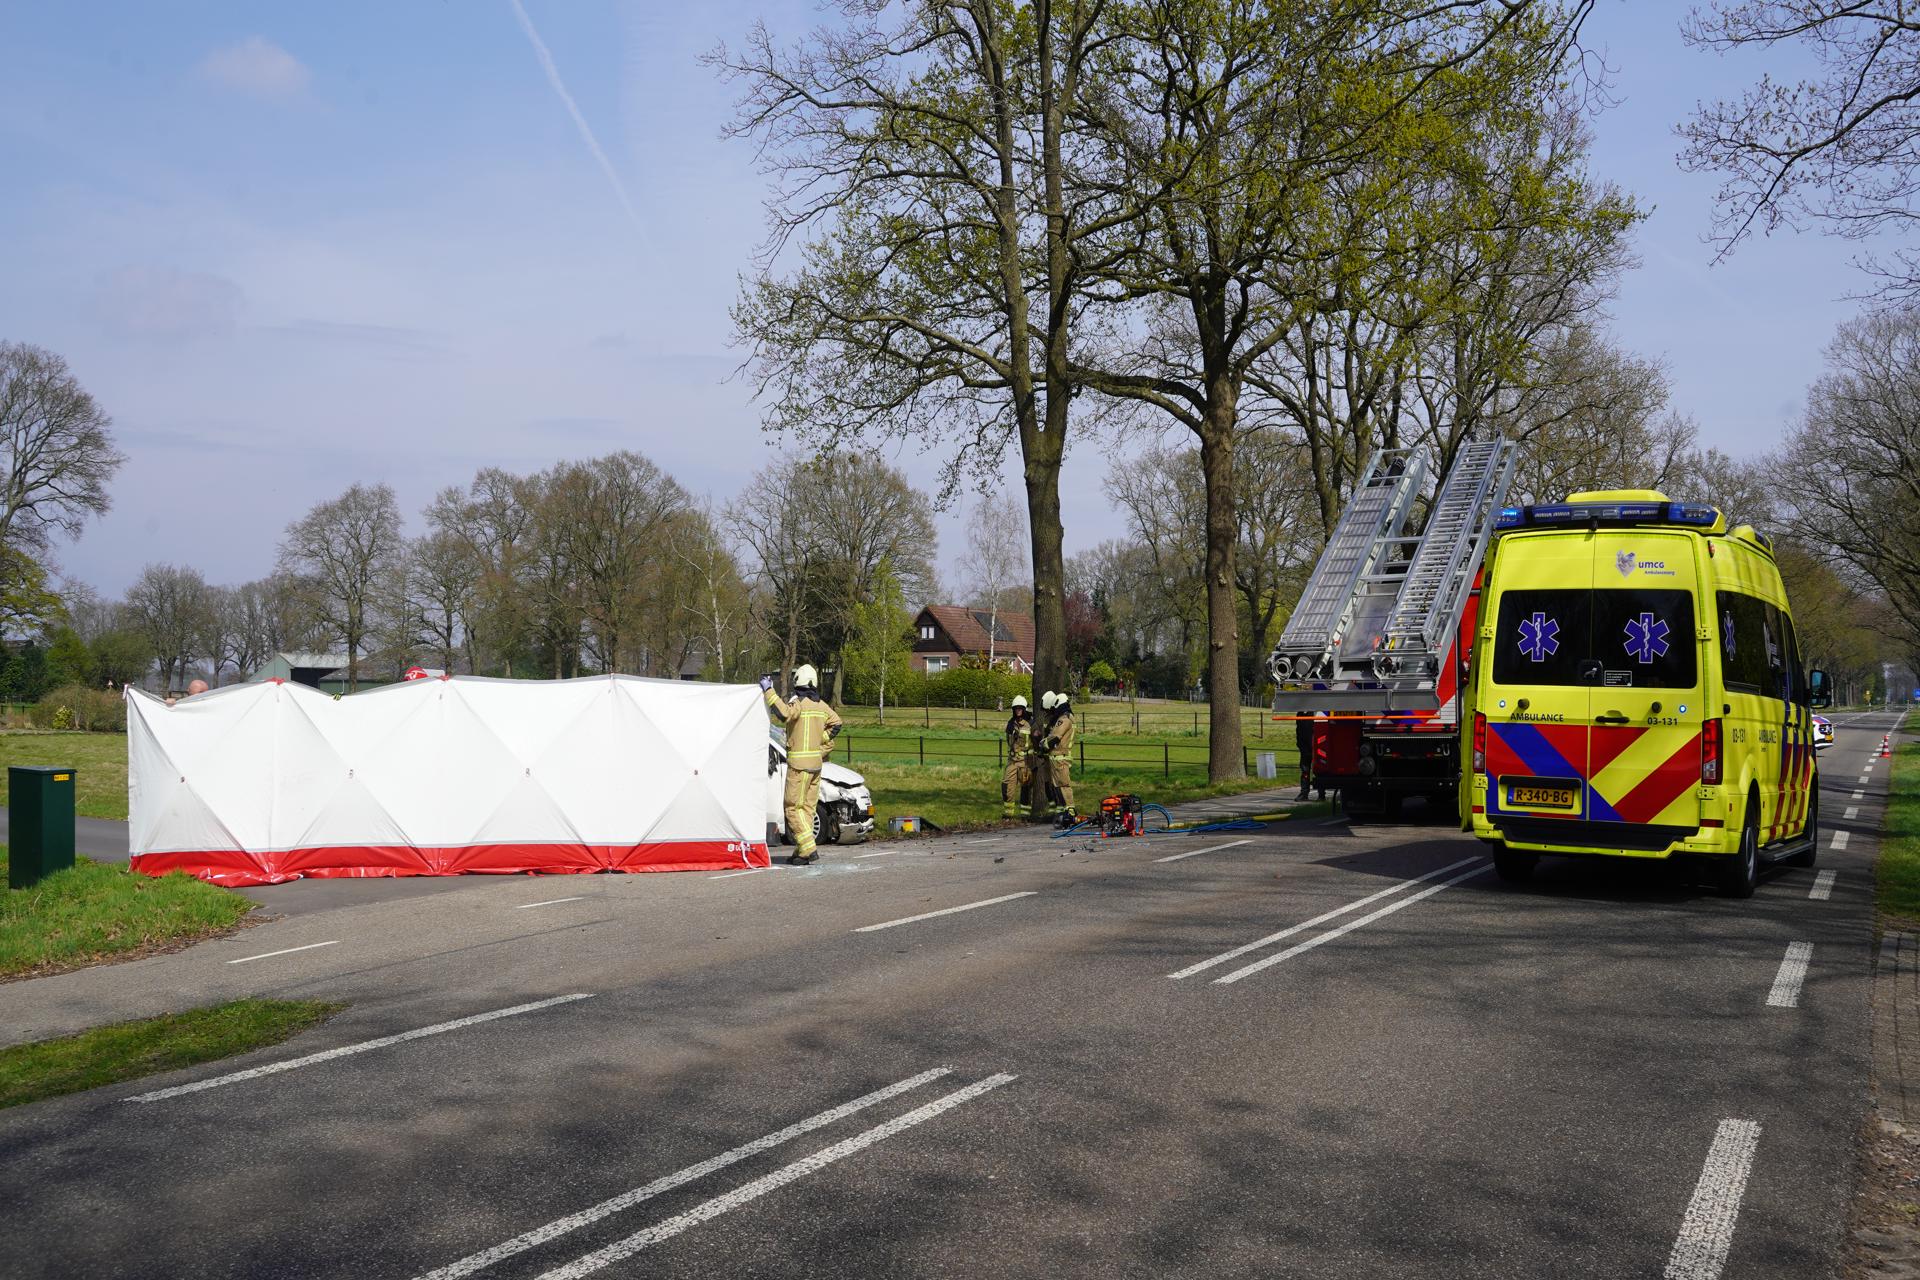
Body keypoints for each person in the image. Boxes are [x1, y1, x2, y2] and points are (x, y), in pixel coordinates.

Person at [760, 663, 842, 865]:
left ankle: (808, 848)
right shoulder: (822, 706)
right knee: (806, 808)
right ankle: (801, 852)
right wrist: (820, 738)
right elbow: (837, 723)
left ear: (799, 682)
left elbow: (784, 714)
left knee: (791, 808)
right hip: (816, 766)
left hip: (798, 766)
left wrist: (769, 690)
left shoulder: (799, 702)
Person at [1045, 689, 1076, 819]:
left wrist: (1043, 744)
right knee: (1058, 785)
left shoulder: (1065, 719)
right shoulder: (1066, 718)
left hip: (1061, 757)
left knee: (1064, 785)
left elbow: (1055, 737)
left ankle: (1070, 810)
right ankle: (1066, 810)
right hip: (1058, 757)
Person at [1001, 695, 1034, 819]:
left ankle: (1025, 815)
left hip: (1025, 761)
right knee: (1006, 785)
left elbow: (1034, 741)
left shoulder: (1030, 722)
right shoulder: (1011, 723)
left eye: (1020, 708)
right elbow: (1008, 741)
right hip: (1012, 760)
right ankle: (1008, 813)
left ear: (1024, 709)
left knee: (1025, 787)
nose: (1018, 710)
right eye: (1016, 708)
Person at [1295, 712, 1315, 800]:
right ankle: (1304, 792)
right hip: (1305, 747)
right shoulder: (1300, 715)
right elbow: (1299, 732)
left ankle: (1321, 794)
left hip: (1317, 746)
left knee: (1319, 770)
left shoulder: (1315, 713)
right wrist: (1300, 745)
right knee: (1305, 770)